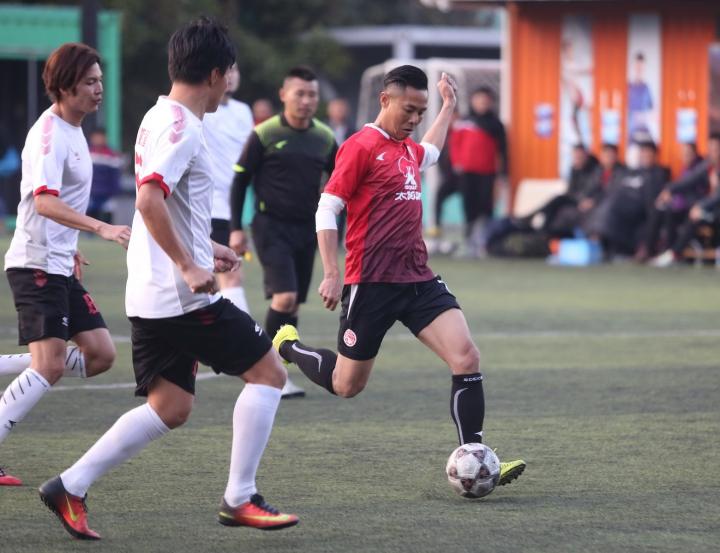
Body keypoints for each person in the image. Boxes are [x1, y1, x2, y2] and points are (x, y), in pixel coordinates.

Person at [38, 18, 297, 540]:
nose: (230, 84)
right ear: (217, 74)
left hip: (150, 294)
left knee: (171, 407)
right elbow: (149, 199)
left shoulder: (159, 116)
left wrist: (207, 248)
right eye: (230, 74)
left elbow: (168, 205)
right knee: (270, 374)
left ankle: (69, 484)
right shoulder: (183, 128)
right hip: (180, 299)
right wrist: (188, 265)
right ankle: (240, 498)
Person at [271, 65, 526, 486]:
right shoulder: (360, 146)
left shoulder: (407, 148)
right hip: (370, 283)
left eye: (421, 112)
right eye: (409, 110)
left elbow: (433, 151)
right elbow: (327, 207)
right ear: (385, 100)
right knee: (346, 385)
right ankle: (288, 345)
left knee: (466, 357)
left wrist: (447, 107)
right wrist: (332, 271)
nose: (414, 119)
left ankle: (477, 458)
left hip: (418, 279)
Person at [0, 43, 132, 487]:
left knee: (101, 355)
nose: (99, 89)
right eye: (90, 82)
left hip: (58, 261)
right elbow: (44, 202)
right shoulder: (49, 134)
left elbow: (57, 204)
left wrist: (70, 245)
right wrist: (101, 228)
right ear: (64, 86)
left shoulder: (76, 130)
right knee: (50, 366)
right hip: (35, 264)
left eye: (100, 80)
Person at [229, 66, 338, 399]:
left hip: (308, 228)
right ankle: (268, 370)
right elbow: (240, 180)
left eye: (312, 95)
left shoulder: (325, 137)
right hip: (270, 226)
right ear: (284, 95)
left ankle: (278, 371)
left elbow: (339, 183)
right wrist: (236, 229)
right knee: (285, 297)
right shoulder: (265, 133)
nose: (306, 101)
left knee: (293, 306)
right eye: (299, 93)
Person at [203, 63, 254, 313]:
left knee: (221, 279)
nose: (231, 76)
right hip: (211, 208)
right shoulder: (202, 109)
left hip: (235, 209)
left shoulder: (243, 111)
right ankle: (244, 335)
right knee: (229, 277)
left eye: (235, 70)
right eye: (226, 70)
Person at [448, 87, 508, 257]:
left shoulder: (496, 125)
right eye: (479, 100)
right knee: (469, 205)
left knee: (486, 206)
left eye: (485, 100)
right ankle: (469, 242)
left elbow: (503, 150)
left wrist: (503, 174)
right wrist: (457, 163)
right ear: (473, 101)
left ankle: (485, 242)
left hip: (488, 172)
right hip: (467, 172)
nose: (482, 103)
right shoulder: (464, 122)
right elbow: (455, 144)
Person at [591, 140, 669, 259]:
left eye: (648, 153)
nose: (645, 156)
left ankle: (642, 249)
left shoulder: (659, 173)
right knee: (608, 207)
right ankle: (604, 245)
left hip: (644, 208)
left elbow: (654, 196)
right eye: (643, 152)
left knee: (615, 208)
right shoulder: (632, 172)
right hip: (624, 207)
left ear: (654, 155)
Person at [651, 134, 720, 266]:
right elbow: (688, 181)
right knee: (671, 211)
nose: (712, 153)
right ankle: (668, 251)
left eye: (716, 149)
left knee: (695, 216)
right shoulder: (707, 166)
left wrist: (701, 206)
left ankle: (675, 254)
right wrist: (669, 190)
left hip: (715, 211)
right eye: (710, 149)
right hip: (707, 208)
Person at [641, 141, 709, 260]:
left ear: (694, 154)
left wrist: (669, 190)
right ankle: (652, 249)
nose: (685, 156)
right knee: (662, 210)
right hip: (685, 207)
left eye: (688, 153)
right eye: (683, 153)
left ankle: (673, 253)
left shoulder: (701, 168)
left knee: (676, 214)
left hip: (697, 208)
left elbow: (689, 184)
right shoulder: (684, 169)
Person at [326, 97, 356, 247]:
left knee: (344, 209)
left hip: (346, 175)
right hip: (327, 174)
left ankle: (338, 241)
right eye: (336, 109)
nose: (339, 112)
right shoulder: (323, 130)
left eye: (342, 109)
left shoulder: (353, 131)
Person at [87, 127, 123, 222]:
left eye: (101, 137)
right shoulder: (86, 152)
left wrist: (114, 192)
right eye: (96, 137)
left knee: (107, 218)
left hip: (107, 195)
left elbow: (115, 177)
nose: (99, 139)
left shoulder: (112, 155)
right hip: (90, 194)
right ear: (92, 138)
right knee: (90, 219)